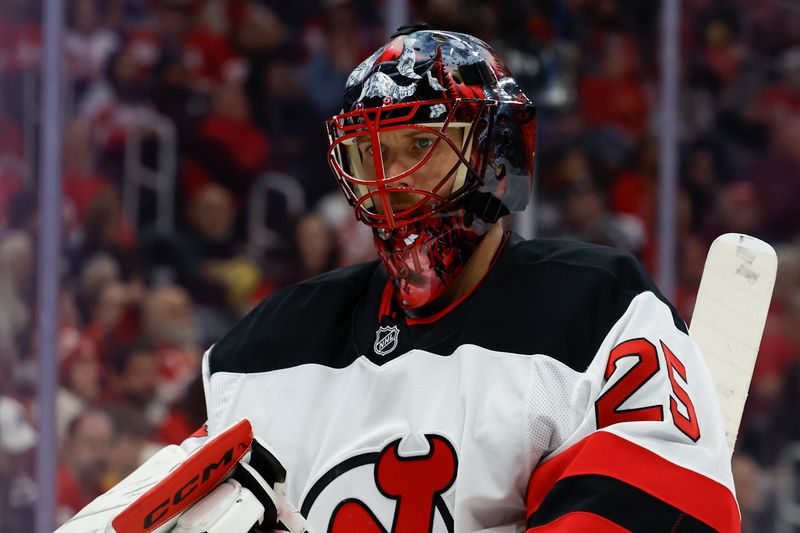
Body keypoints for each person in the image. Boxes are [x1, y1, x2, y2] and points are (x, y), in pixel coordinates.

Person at [61, 25, 739, 532]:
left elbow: (673, 502)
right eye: (370, 153)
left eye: (420, 146)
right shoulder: (262, 347)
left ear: (495, 152)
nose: (392, 181)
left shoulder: (596, 307)